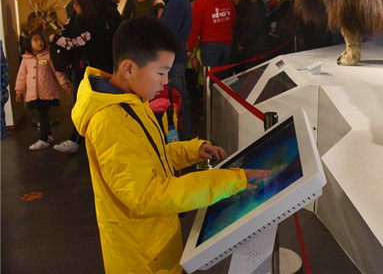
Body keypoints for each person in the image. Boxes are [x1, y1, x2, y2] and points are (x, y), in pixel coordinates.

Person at [71, 16, 270, 273]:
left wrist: (191, 151)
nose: (165, 82)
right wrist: (228, 181)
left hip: (157, 241)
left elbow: (151, 154)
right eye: (161, 72)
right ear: (129, 68)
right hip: (140, 257)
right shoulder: (110, 121)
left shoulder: (132, 100)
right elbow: (147, 195)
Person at [52, 0, 118, 153]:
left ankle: (79, 139)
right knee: (81, 104)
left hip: (95, 72)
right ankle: (81, 137)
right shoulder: (79, 18)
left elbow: (76, 41)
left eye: (76, 3)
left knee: (88, 104)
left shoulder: (96, 24)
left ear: (85, 4)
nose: (74, 6)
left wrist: (54, 38)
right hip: (82, 70)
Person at [151, 0, 192, 139]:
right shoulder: (179, 1)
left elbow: (167, 33)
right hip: (178, 56)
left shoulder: (175, 3)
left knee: (175, 101)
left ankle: (181, 139)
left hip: (173, 59)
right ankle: (186, 136)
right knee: (181, 98)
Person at [15, 32, 71, 150]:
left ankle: (43, 139)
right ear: (28, 44)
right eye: (35, 40)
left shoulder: (48, 56)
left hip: (47, 91)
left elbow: (57, 71)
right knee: (42, 114)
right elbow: (21, 76)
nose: (39, 42)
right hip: (34, 93)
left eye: (41, 39)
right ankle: (49, 135)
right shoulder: (26, 59)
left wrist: (64, 84)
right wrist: (19, 91)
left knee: (42, 114)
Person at [187, 0, 236, 79]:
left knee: (211, 78)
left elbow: (195, 28)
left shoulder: (200, 3)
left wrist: (190, 48)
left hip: (210, 45)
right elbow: (233, 20)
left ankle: (212, 96)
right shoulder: (227, 0)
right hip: (227, 44)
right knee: (225, 79)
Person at [236, 0, 271, 69]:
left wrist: (242, 42)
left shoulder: (257, 5)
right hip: (251, 47)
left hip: (257, 48)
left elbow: (254, 27)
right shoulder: (248, 5)